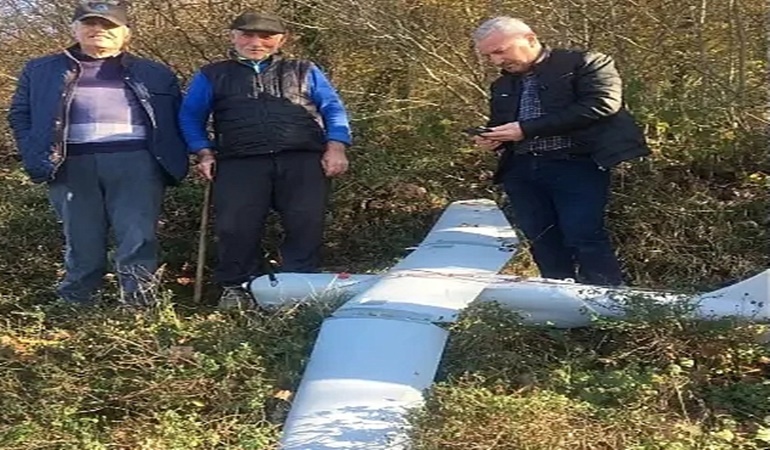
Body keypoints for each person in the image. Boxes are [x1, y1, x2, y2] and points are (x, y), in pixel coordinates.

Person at [7, 1, 189, 306]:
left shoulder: (155, 72)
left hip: (137, 162)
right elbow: (20, 114)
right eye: (90, 24)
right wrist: (32, 150)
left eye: (108, 26)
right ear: (74, 29)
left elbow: (177, 116)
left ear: (126, 34)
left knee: (138, 235)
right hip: (69, 162)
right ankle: (76, 302)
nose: (98, 31)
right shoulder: (40, 70)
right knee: (81, 238)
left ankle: (140, 303)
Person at [179, 11, 352, 308]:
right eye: (247, 35)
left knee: (305, 224)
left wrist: (336, 146)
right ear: (233, 37)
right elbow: (190, 116)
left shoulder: (304, 69)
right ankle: (239, 287)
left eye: (266, 36)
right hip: (239, 161)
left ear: (281, 40)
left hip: (303, 159)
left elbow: (333, 108)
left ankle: (298, 289)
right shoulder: (212, 74)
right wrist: (203, 151)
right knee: (235, 226)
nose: (256, 42)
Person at [471, 17, 650, 286]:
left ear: (530, 39)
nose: (496, 62)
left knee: (583, 234)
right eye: (489, 56)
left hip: (577, 165)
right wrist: (494, 138)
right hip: (520, 169)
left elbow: (602, 104)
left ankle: (610, 302)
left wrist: (526, 129)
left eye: (500, 51)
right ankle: (560, 303)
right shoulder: (502, 85)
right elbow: (505, 125)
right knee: (541, 239)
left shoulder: (587, 63)